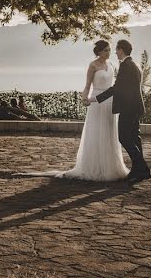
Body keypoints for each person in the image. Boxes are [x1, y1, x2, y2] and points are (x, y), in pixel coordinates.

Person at [55, 40, 130, 181]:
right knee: (96, 132)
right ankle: (94, 166)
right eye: (106, 50)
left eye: (109, 50)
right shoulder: (93, 65)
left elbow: (115, 86)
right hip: (96, 101)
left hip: (109, 102)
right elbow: (87, 85)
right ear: (99, 52)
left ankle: (111, 167)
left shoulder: (112, 65)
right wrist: (85, 98)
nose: (109, 52)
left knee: (109, 132)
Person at [89, 39, 151, 183]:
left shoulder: (125, 66)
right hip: (136, 107)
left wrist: (95, 99)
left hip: (128, 108)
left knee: (123, 137)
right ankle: (138, 171)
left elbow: (116, 88)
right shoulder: (135, 65)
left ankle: (143, 168)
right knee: (135, 138)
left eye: (116, 50)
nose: (115, 52)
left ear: (121, 50)